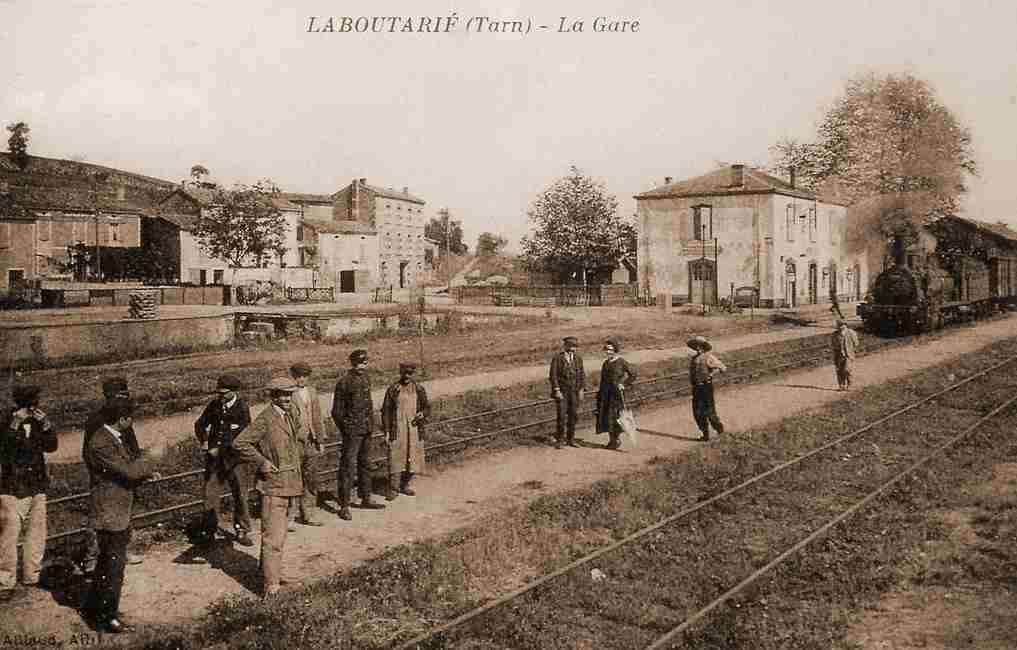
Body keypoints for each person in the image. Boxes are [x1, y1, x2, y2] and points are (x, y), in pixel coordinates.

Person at [82, 397, 157, 633]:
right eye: (130, 418)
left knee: (108, 563)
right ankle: (107, 618)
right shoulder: (102, 442)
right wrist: (152, 456)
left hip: (116, 509)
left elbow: (123, 473)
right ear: (123, 419)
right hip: (109, 512)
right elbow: (128, 470)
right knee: (113, 567)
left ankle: (95, 609)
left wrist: (145, 475)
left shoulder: (111, 437)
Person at [231, 376, 304, 598]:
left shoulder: (290, 415)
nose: (287, 398)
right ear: (273, 396)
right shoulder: (265, 418)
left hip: (289, 483)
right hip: (273, 486)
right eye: (282, 394)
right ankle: (271, 586)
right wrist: (262, 462)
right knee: (273, 537)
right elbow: (240, 443)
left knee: (279, 535)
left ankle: (272, 574)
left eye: (289, 394)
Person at [0, 385, 58, 603]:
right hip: (13, 488)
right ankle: (5, 581)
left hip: (36, 486)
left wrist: (46, 425)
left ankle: (32, 575)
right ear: (20, 402)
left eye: (35, 401)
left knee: (36, 532)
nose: (34, 406)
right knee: (8, 535)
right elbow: (4, 448)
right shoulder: (5, 420)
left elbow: (52, 447)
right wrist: (15, 423)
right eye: (30, 402)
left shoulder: (38, 421)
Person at [81, 377, 143, 573]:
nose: (124, 399)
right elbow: (89, 452)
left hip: (124, 472)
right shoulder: (96, 419)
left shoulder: (122, 416)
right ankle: (92, 557)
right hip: (105, 476)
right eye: (121, 396)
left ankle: (123, 551)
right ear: (110, 397)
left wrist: (135, 465)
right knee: (98, 518)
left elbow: (131, 444)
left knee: (125, 513)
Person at [193, 375, 254, 546]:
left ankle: (242, 530)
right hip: (215, 461)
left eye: (224, 393)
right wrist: (204, 441)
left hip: (235, 460)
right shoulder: (214, 405)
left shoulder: (242, 407)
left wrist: (226, 449)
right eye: (218, 393)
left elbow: (246, 434)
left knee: (241, 495)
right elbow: (199, 425)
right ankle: (209, 532)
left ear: (234, 392)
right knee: (210, 496)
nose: (220, 396)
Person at [332, 349, 385, 520]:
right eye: (358, 363)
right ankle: (344, 505)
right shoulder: (344, 383)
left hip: (366, 429)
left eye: (364, 363)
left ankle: (366, 498)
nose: (361, 366)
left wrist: (371, 425)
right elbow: (337, 412)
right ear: (352, 364)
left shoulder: (366, 379)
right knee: (348, 467)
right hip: (352, 433)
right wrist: (346, 430)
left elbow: (368, 406)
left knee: (365, 464)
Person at [381, 363, 431, 500]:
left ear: (413, 374)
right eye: (404, 373)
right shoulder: (393, 389)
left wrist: (422, 413)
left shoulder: (419, 389)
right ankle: (393, 488)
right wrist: (386, 430)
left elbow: (427, 407)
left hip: (414, 428)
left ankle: (405, 485)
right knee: (396, 456)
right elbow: (385, 411)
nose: (407, 376)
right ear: (400, 373)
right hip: (397, 428)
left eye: (410, 373)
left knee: (412, 456)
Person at [289, 363, 324, 526]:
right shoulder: (289, 394)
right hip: (295, 442)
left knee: (310, 477)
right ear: (293, 377)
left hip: (311, 440)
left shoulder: (312, 392)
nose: (301, 380)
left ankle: (308, 513)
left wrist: (320, 440)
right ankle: (290, 516)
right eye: (298, 376)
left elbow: (317, 416)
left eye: (304, 376)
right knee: (293, 477)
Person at [595, 337, 637, 451]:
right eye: (606, 349)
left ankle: (616, 438)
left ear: (615, 350)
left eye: (610, 349)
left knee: (616, 417)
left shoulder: (621, 362)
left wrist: (624, 384)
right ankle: (612, 440)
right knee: (606, 416)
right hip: (605, 393)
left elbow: (633, 374)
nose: (608, 352)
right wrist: (600, 393)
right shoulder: (605, 363)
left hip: (617, 394)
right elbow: (603, 379)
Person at [549, 336, 586, 449]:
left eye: (574, 347)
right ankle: (560, 440)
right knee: (561, 416)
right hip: (562, 392)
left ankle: (571, 439)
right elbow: (553, 376)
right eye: (570, 346)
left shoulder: (578, 358)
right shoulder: (557, 358)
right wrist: (557, 390)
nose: (573, 349)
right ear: (565, 346)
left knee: (573, 415)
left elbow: (582, 374)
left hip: (574, 392)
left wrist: (581, 389)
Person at [688, 336, 727, 441]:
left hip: (706, 387)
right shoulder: (694, 358)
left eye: (699, 345)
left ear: (703, 347)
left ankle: (720, 431)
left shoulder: (709, 357)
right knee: (697, 412)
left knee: (709, 411)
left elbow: (722, 368)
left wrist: (711, 374)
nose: (697, 348)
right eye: (695, 345)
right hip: (696, 388)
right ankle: (705, 435)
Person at [831, 319, 860, 390]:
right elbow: (833, 344)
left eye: (841, 325)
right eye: (838, 325)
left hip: (848, 354)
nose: (840, 327)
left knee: (847, 369)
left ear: (845, 325)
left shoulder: (851, 333)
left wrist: (852, 350)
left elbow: (856, 343)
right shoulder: (835, 334)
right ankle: (841, 385)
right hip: (838, 355)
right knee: (839, 370)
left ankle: (850, 384)